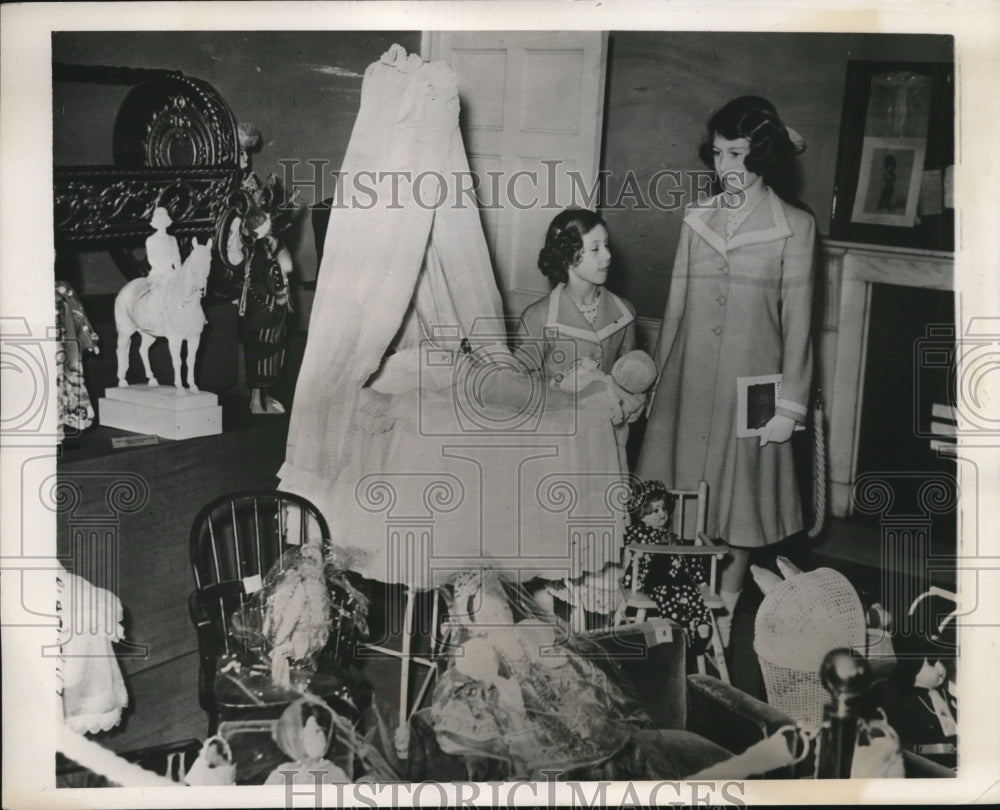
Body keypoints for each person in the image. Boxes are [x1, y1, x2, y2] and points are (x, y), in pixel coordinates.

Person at [638, 96, 816, 647]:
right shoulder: (697, 218)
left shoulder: (795, 226)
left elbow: (800, 324)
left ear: (760, 155)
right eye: (718, 155)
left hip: (756, 388)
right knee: (684, 498)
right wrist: (657, 387)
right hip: (689, 381)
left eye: (737, 154)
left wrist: (790, 406)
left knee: (741, 507)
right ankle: (682, 608)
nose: (726, 168)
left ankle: (725, 611)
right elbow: (676, 309)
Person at [513, 209, 646, 621]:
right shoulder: (538, 318)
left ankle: (595, 627)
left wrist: (628, 403)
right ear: (570, 258)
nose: (608, 256)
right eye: (595, 248)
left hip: (609, 451)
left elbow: (636, 379)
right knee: (556, 544)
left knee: (601, 544)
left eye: (606, 245)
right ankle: (547, 618)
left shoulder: (623, 312)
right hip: (557, 457)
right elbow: (519, 389)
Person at [621, 479, 713, 652]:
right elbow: (631, 543)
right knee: (669, 597)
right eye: (655, 510)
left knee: (691, 592)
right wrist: (637, 550)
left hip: (677, 576)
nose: (662, 514)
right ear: (642, 512)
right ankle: (678, 634)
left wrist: (699, 579)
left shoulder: (670, 535)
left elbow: (686, 555)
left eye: (664, 509)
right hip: (653, 577)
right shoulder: (638, 531)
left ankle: (701, 626)